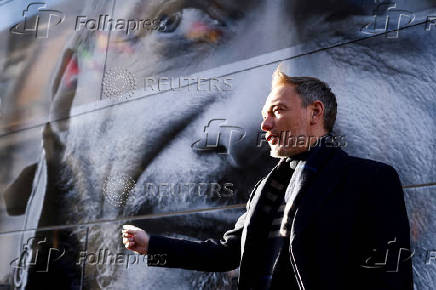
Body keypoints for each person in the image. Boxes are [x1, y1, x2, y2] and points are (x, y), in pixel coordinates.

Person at [122, 67, 413, 289]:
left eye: (277, 111)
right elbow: (227, 254)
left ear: (315, 112)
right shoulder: (266, 189)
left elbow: (391, 275)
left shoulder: (371, 179)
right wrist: (152, 245)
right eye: (265, 114)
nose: (264, 124)